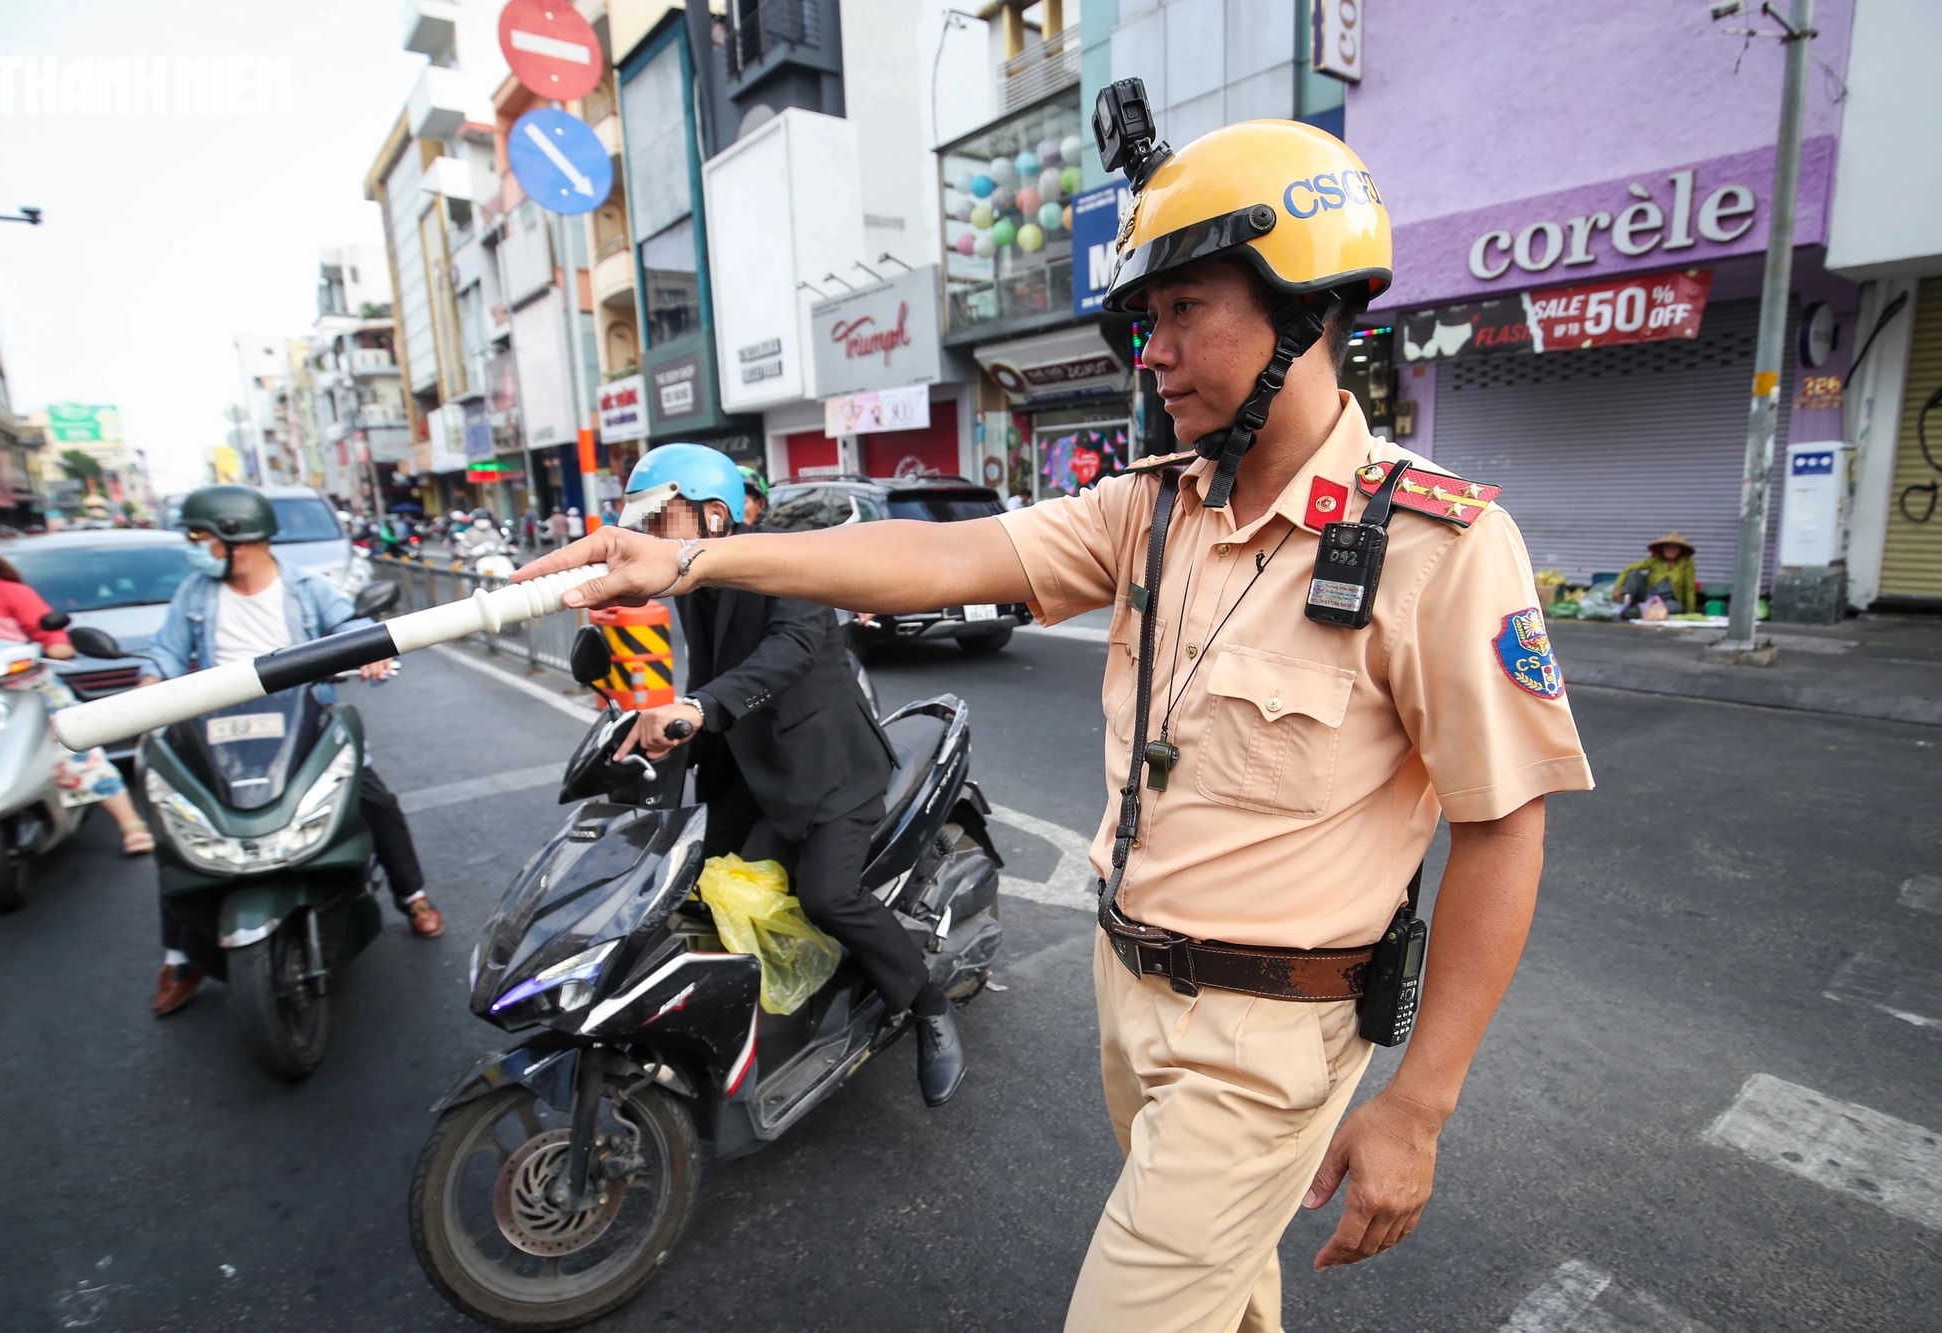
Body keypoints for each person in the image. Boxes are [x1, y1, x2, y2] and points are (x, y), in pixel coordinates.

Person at [516, 111, 1592, 1329]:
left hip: (1270, 1038)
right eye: (1147, 319)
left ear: (1300, 305)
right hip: (1127, 989)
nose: (1154, 352)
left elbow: (1503, 831)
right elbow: (937, 555)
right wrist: (693, 568)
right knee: (1226, 1291)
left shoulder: (1436, 545)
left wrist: (1420, 1102)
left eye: (1185, 309)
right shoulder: (1151, 510)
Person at [609, 444, 967, 1106]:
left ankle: (926, 1004)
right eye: (640, 520)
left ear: (713, 518)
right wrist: (671, 732)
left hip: (825, 764)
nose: (646, 534)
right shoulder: (691, 578)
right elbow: (711, 671)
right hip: (749, 762)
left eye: (658, 519)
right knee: (682, 880)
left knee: (829, 895)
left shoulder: (781, 565)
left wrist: (699, 706)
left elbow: (790, 649)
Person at [143, 485, 443, 1017]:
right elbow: (164, 654)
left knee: (377, 802)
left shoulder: (307, 588)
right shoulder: (194, 593)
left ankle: (411, 896)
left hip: (304, 724)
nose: (194, 547)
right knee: (177, 832)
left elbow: (353, 627)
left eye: (199, 537)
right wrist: (150, 682)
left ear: (235, 537)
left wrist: (370, 651)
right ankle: (179, 958)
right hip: (219, 734)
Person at [0, 530, 154, 856]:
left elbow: (54, 639)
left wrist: (55, 648)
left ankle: (129, 823)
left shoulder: (10, 594)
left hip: (24, 690)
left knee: (74, 745)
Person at [1613, 532, 1698, 618]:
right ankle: (1626, 604)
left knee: (1677, 607)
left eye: (1674, 547)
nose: (1670, 550)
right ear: (1662, 549)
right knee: (1634, 574)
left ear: (1680, 550)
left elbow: (1689, 588)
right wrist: (1618, 587)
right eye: (1667, 547)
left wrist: (1690, 612)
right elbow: (1629, 568)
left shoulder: (1686, 563)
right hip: (1649, 595)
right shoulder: (1656, 559)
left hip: (1669, 601)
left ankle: (1637, 610)